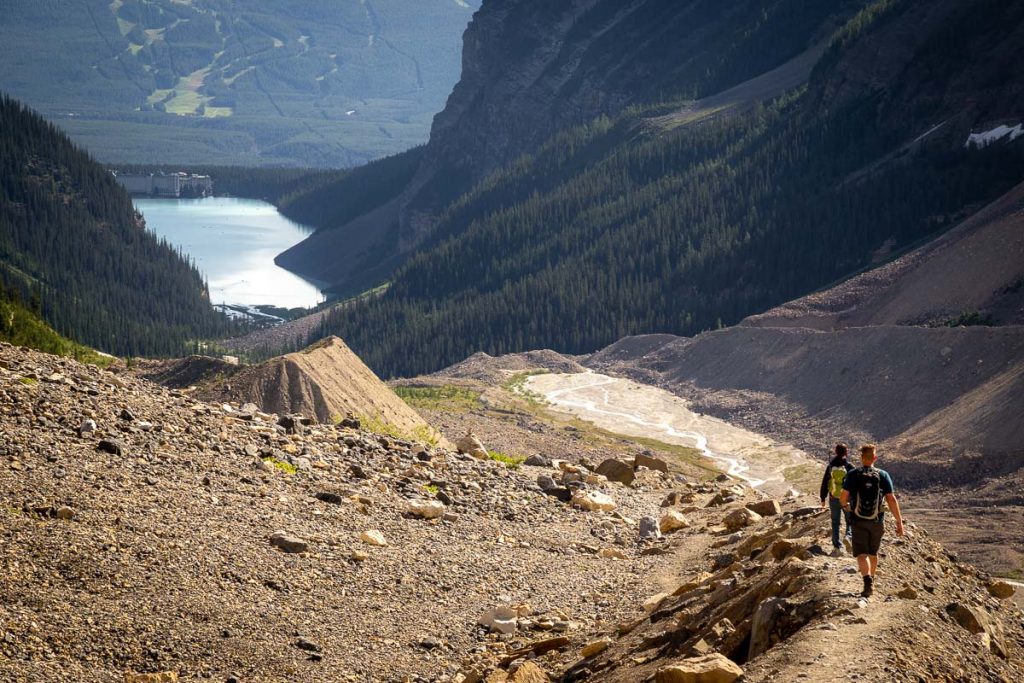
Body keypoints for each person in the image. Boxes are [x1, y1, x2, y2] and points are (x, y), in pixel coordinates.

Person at [840, 444, 904, 598]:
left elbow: (843, 495)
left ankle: (867, 582)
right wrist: (899, 522)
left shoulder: (853, 474)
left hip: (858, 520)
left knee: (862, 554)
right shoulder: (883, 475)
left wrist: (845, 506)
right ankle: (872, 580)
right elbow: (891, 499)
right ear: (875, 458)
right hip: (877, 521)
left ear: (861, 458)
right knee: (873, 553)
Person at [819, 443, 854, 556]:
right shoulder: (849, 467)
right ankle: (848, 536)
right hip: (846, 499)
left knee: (835, 523)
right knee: (850, 521)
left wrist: (822, 497)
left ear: (835, 452)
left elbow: (825, 482)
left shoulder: (830, 466)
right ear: (846, 452)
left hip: (833, 498)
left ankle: (836, 547)